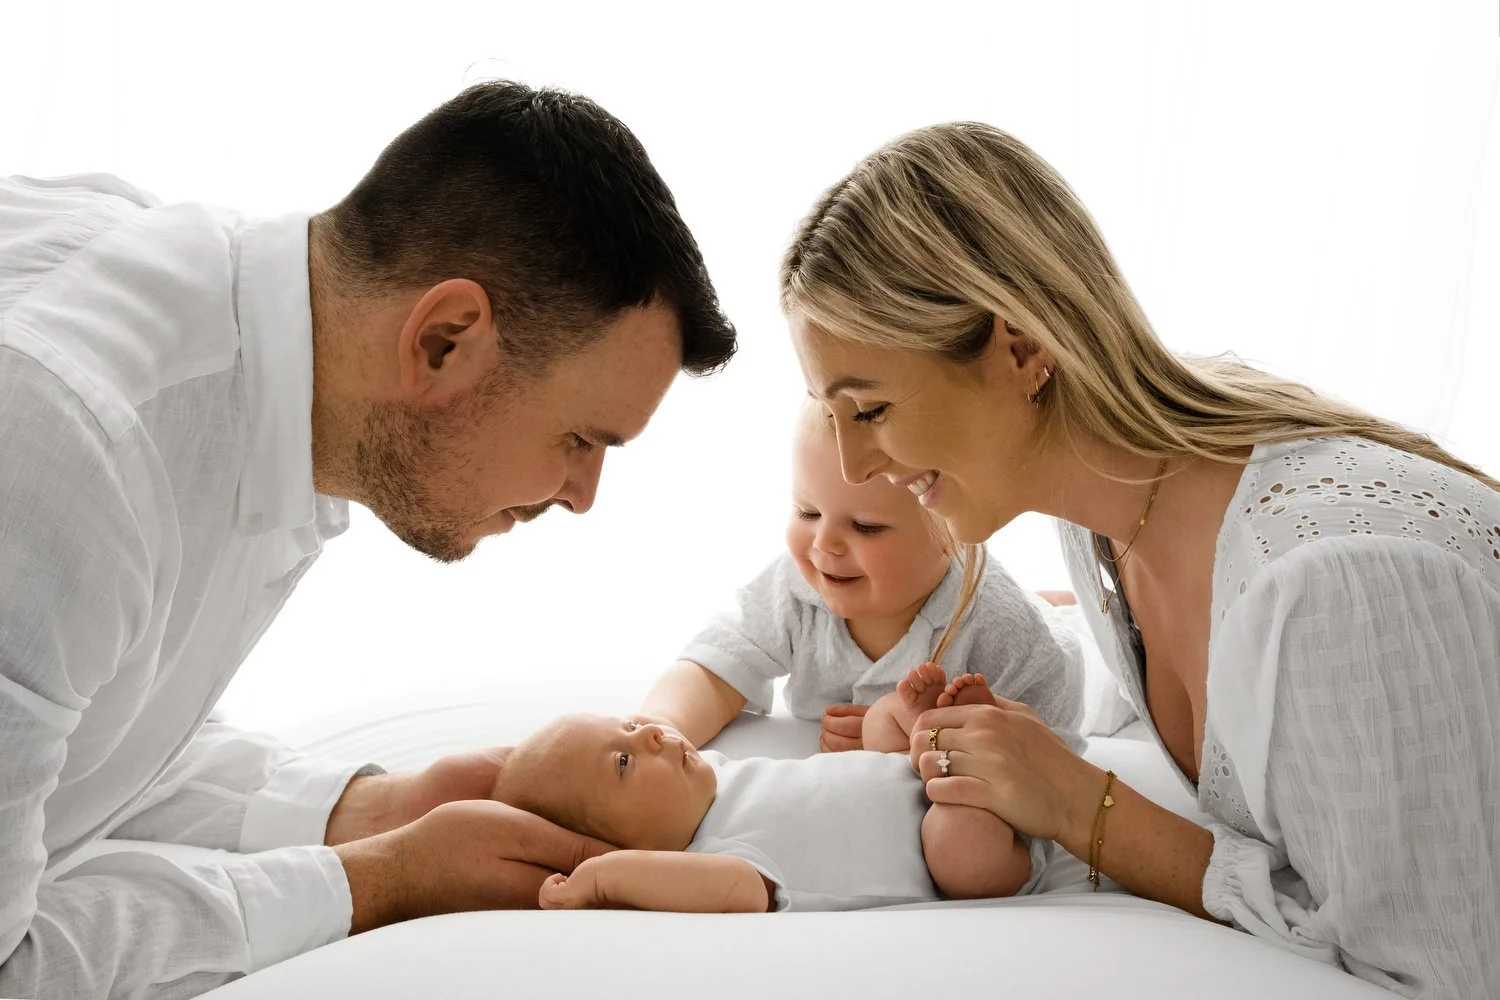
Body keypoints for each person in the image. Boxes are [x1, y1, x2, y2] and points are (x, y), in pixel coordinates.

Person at [0, 81, 735, 999]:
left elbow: (75, 745)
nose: (583, 496)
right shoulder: (64, 451)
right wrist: (380, 882)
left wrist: (371, 809)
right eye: (580, 439)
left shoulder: (244, 361)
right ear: (443, 342)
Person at [779, 121, 1498, 998]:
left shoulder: (1329, 592)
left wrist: (1083, 807)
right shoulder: (1102, 525)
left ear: (1021, 349)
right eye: (832, 415)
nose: (857, 469)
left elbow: (1439, 971)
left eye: (873, 408)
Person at [640, 400, 1085, 757]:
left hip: (1063, 654)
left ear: (954, 530)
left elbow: (1046, 753)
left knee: (1083, 651)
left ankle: (1059, 609)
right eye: (807, 513)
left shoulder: (1008, 635)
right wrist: (663, 726)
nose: (824, 545)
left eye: (866, 527)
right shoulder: (798, 587)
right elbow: (720, 661)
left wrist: (900, 739)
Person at [492, 697, 1054, 911]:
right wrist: (604, 877)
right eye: (623, 762)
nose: (651, 736)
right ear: (622, 845)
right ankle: (992, 770)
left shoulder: (717, 774)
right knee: (957, 847)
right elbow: (736, 893)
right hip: (947, 845)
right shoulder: (713, 859)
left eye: (632, 725)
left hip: (911, 772)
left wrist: (899, 723)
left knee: (888, 716)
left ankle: (982, 730)